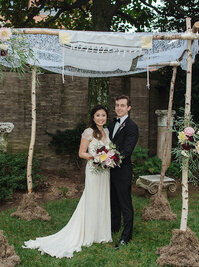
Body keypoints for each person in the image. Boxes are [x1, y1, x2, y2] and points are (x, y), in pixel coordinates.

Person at [23, 105, 112, 258]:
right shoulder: (88, 132)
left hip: (105, 171)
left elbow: (108, 150)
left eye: (103, 115)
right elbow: (81, 153)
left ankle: (101, 233)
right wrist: (96, 158)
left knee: (102, 199)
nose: (101, 118)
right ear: (93, 117)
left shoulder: (107, 131)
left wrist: (109, 158)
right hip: (93, 170)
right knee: (91, 199)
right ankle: (89, 233)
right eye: (98, 115)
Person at [108, 95, 139, 249]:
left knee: (125, 203)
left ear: (129, 108)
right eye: (117, 105)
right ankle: (114, 227)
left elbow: (127, 150)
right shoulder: (112, 123)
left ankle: (126, 236)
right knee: (113, 200)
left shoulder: (132, 126)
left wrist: (109, 159)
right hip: (109, 171)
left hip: (122, 171)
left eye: (122, 105)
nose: (119, 108)